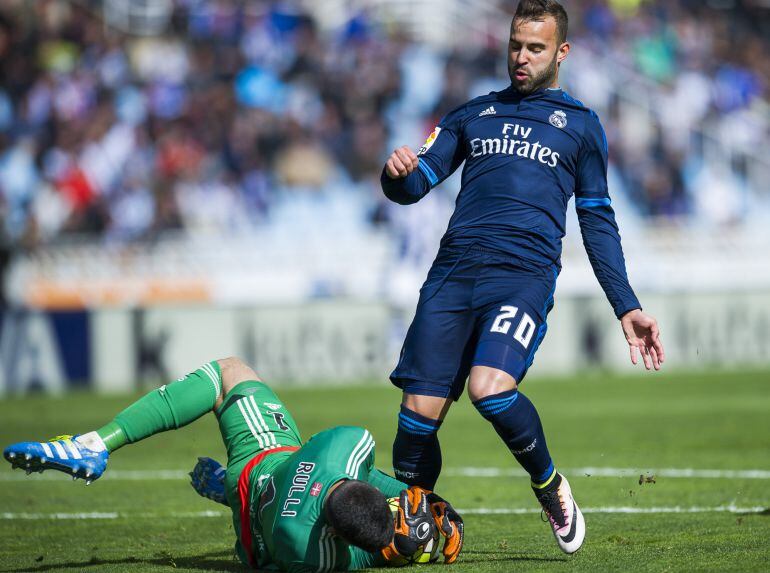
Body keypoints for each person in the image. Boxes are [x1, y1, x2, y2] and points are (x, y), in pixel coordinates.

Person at [381, 0, 665, 555]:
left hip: (522, 277)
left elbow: (597, 220)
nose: (521, 57)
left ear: (561, 52)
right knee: (416, 418)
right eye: (515, 45)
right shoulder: (471, 115)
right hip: (453, 274)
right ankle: (418, 519)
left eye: (535, 48)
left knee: (491, 388)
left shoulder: (581, 126)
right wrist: (396, 175)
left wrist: (625, 305)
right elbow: (416, 187)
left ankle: (549, 486)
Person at [3, 357, 463, 571]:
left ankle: (95, 444)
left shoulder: (345, 444)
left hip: (265, 460)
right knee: (263, 511)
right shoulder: (307, 550)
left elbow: (363, 476)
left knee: (229, 373)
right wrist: (397, 550)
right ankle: (224, 487)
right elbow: (355, 553)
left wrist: (403, 497)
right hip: (257, 538)